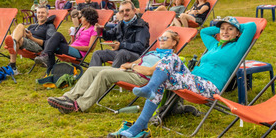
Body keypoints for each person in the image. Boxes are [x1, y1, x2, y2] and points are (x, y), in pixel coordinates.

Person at [112, 16, 256, 138]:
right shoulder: (214, 45)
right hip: (192, 78)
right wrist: (221, 28)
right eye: (223, 28)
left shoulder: (238, 47)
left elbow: (252, 26)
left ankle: (140, 124)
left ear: (238, 33)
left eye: (230, 29)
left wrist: (236, 25)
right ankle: (144, 111)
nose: (225, 31)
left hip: (209, 86)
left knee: (163, 79)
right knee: (172, 56)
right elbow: (205, 31)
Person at [47, 30, 181, 114]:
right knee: (93, 70)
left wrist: (132, 67)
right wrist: (129, 65)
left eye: (166, 38)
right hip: (132, 71)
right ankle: (69, 97)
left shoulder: (169, 57)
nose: (161, 40)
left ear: (174, 43)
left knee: (105, 74)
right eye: (161, 38)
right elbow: (139, 62)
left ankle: (79, 105)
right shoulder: (153, 52)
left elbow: (149, 71)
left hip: (141, 78)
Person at [38, 7, 99, 74]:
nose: (80, 19)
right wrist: (72, 36)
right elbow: (74, 43)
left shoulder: (93, 30)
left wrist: (73, 47)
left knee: (55, 39)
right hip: (71, 49)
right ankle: (51, 70)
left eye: (82, 17)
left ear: (88, 18)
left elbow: (91, 48)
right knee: (53, 43)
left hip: (79, 53)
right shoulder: (82, 28)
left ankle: (46, 58)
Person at [90, 0, 150, 68]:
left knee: (122, 53)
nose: (125, 13)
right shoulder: (121, 24)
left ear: (134, 10)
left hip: (137, 56)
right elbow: (108, 36)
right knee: (97, 53)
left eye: (127, 10)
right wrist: (101, 30)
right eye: (122, 11)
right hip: (120, 52)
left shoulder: (141, 26)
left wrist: (121, 45)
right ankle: (93, 76)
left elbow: (140, 46)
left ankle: (109, 77)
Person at [4, 5, 57, 73]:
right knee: (20, 28)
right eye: (39, 13)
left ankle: (12, 44)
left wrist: (31, 38)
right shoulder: (33, 25)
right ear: (36, 14)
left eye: (43, 13)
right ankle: (13, 66)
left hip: (38, 46)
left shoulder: (49, 26)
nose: (40, 14)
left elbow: (48, 43)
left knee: (20, 33)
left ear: (47, 14)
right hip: (25, 41)